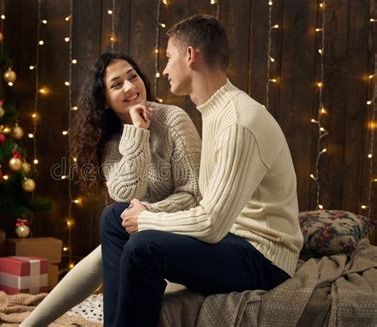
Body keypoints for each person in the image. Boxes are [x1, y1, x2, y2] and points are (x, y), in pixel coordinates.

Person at [101, 14, 304, 327]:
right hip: (231, 239)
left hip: (263, 258)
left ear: (190, 56)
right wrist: (143, 215)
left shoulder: (238, 121)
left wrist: (148, 219)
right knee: (114, 217)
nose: (164, 70)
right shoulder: (213, 111)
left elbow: (211, 223)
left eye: (168, 58)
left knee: (144, 247)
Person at [20, 52, 202, 326]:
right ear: (103, 100)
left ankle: (31, 325)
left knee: (112, 225)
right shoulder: (109, 142)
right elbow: (128, 191)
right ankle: (30, 325)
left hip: (184, 227)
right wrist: (138, 132)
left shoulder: (173, 120)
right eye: (117, 84)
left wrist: (149, 213)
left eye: (132, 77)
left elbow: (195, 195)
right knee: (109, 238)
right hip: (144, 232)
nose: (130, 87)